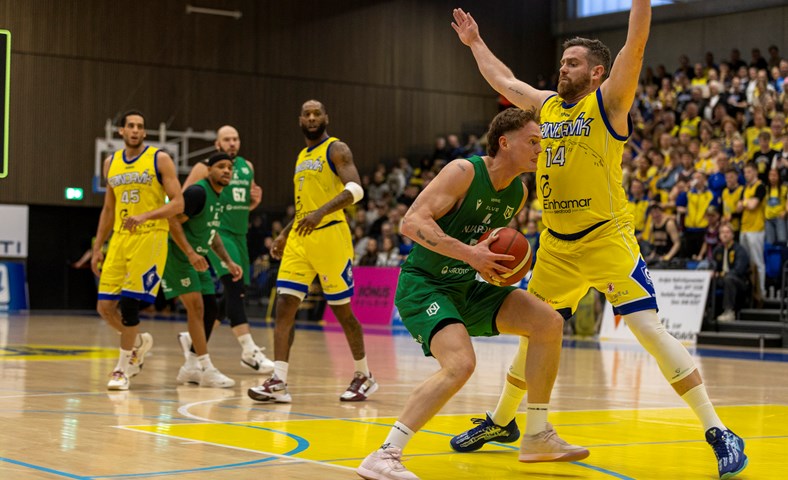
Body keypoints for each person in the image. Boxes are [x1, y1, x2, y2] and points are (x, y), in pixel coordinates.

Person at [450, 4, 747, 479]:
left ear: (596, 72)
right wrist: (475, 44)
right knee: (536, 330)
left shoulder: (609, 102)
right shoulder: (546, 107)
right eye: (562, 62)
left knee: (648, 330)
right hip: (557, 247)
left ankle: (718, 430)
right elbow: (505, 82)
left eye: (572, 62)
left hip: (607, 239)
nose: (562, 67)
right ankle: (502, 422)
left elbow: (637, 44)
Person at [357, 108, 588, 480]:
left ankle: (536, 434)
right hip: (425, 285)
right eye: (533, 141)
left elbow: (485, 244)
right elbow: (411, 222)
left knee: (547, 322)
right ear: (504, 142)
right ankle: (385, 454)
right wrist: (472, 255)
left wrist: (493, 267)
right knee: (461, 365)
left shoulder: (517, 192)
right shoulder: (463, 172)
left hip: (466, 285)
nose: (540, 150)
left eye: (542, 143)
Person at [247, 99, 376, 403]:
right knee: (284, 307)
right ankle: (278, 380)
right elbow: (305, 207)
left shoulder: (337, 149)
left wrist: (321, 213)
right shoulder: (302, 156)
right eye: (307, 113)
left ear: (326, 117)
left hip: (331, 237)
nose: (313, 117)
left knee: (342, 312)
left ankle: (364, 375)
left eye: (317, 113)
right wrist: (284, 233)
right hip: (300, 240)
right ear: (300, 120)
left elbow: (356, 190)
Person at [91, 110, 184, 390]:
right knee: (105, 307)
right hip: (120, 238)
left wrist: (146, 216)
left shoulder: (160, 159)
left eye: (140, 127)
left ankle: (122, 369)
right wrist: (97, 246)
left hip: (150, 236)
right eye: (130, 126)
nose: (135, 130)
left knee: (130, 305)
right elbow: (109, 208)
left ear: (144, 132)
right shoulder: (111, 163)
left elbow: (178, 203)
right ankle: (139, 341)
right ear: (121, 131)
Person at [180, 125, 274, 375]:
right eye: (227, 139)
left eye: (235, 138)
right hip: (217, 233)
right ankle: (248, 350)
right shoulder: (204, 168)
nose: (232, 143)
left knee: (234, 293)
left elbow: (244, 203)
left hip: (240, 233)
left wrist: (255, 202)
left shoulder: (247, 166)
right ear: (217, 144)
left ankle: (193, 345)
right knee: (234, 285)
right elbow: (184, 199)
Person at [162, 152, 244, 388]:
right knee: (197, 308)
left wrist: (227, 261)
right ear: (209, 170)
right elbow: (172, 220)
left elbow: (212, 232)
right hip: (179, 256)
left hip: (198, 258)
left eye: (230, 167)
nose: (227, 170)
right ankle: (206, 368)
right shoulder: (197, 192)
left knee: (209, 310)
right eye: (221, 166)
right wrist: (189, 252)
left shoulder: (220, 197)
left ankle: (190, 367)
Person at [713, 224, 751, 323]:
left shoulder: (739, 250)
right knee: (709, 279)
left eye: (727, 232)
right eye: (722, 232)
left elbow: (739, 270)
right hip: (722, 279)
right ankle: (706, 311)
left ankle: (729, 312)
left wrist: (723, 274)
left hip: (739, 281)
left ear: (733, 235)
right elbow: (713, 266)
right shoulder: (717, 250)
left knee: (729, 278)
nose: (724, 235)